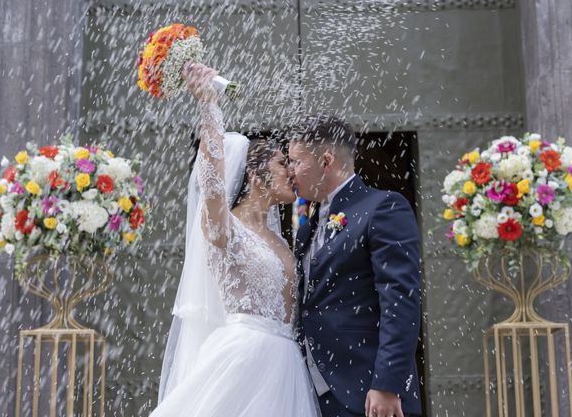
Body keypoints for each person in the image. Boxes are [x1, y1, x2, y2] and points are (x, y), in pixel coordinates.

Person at [151, 63, 319, 417]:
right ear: (256, 177)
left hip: (287, 366)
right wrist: (209, 106)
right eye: (280, 164)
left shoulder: (282, 239)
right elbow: (212, 183)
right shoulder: (224, 230)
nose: (290, 171)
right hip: (243, 360)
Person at [289, 115, 422, 417]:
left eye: (296, 161)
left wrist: (387, 384)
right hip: (312, 393)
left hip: (368, 392)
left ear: (326, 160)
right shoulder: (309, 227)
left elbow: (400, 300)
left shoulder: (383, 208)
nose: (291, 172)